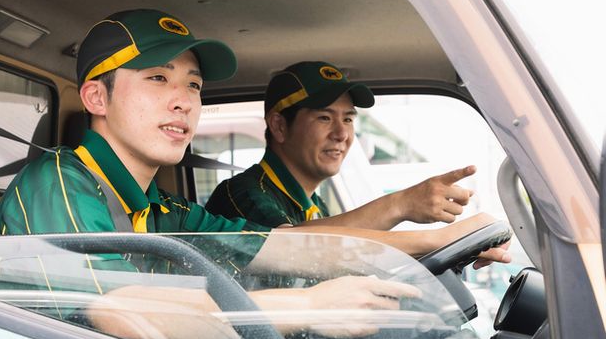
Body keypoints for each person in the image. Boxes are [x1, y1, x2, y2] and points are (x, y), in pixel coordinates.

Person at [0, 9, 509, 339]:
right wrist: (309, 306)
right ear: (97, 98)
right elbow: (120, 312)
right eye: (158, 78)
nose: (183, 100)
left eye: (193, 85)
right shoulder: (60, 182)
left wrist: (434, 240)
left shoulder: (161, 208)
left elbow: (280, 247)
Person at [206, 60, 480, 234]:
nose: (341, 134)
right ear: (279, 126)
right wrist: (402, 204)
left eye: (348, 119)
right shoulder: (244, 195)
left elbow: (344, 255)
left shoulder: (316, 206)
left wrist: (454, 244)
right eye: (324, 118)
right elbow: (293, 250)